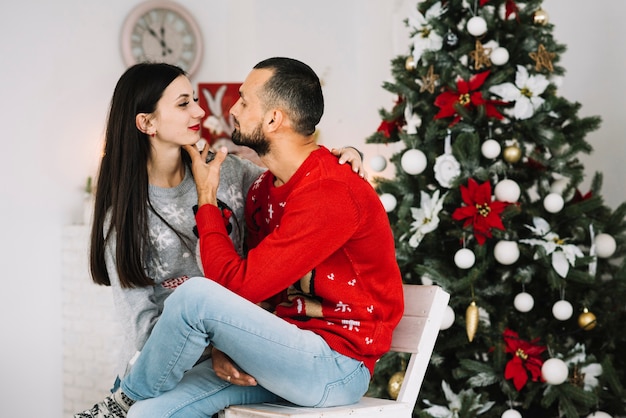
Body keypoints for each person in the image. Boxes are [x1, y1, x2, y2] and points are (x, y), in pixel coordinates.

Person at [75, 57, 403, 418]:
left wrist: (206, 200)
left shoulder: (296, 185)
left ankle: (124, 400)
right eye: (184, 103)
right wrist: (228, 343)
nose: (223, 109)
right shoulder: (263, 187)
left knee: (195, 297)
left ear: (274, 119)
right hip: (268, 351)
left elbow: (239, 286)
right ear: (146, 123)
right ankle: (131, 406)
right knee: (148, 415)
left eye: (244, 101)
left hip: (332, 365)